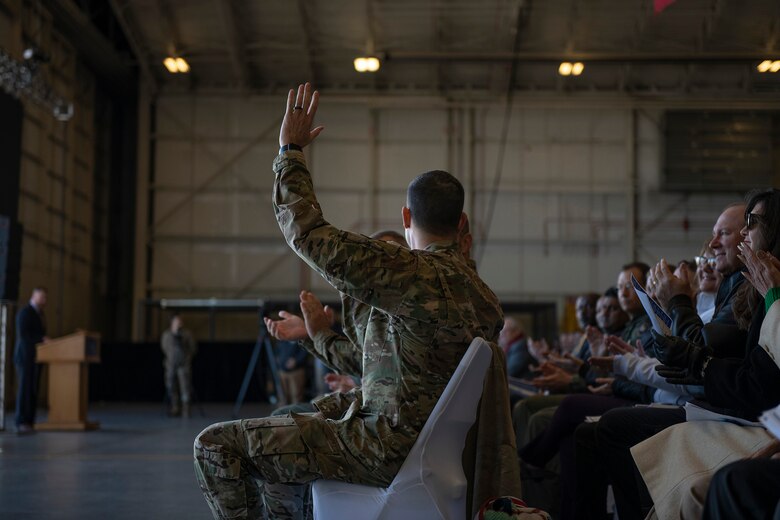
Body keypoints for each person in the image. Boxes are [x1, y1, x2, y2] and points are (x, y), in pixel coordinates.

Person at [193, 83, 508, 519]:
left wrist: (290, 150)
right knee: (291, 431)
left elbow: (307, 233)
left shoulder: (411, 272)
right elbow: (394, 368)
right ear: (461, 224)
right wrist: (317, 334)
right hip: (423, 448)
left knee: (213, 446)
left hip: (382, 446)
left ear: (406, 218)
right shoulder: (485, 298)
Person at [14, 286, 48, 434]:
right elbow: (24, 334)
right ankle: (21, 420)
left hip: (36, 357)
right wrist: (41, 339)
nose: (44, 300)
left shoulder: (40, 313)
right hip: (25, 356)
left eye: (45, 298)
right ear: (34, 296)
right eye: (41, 297)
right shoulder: (25, 312)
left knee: (32, 389)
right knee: (25, 389)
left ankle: (30, 420)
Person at [160, 314, 197, 417]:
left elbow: (193, 348)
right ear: (172, 322)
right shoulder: (167, 334)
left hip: (183, 365)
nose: (179, 323)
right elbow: (164, 347)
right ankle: (175, 407)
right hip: (171, 365)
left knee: (185, 387)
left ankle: (186, 409)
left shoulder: (187, 334)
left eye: (180, 321)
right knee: (171, 387)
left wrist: (187, 358)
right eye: (177, 321)